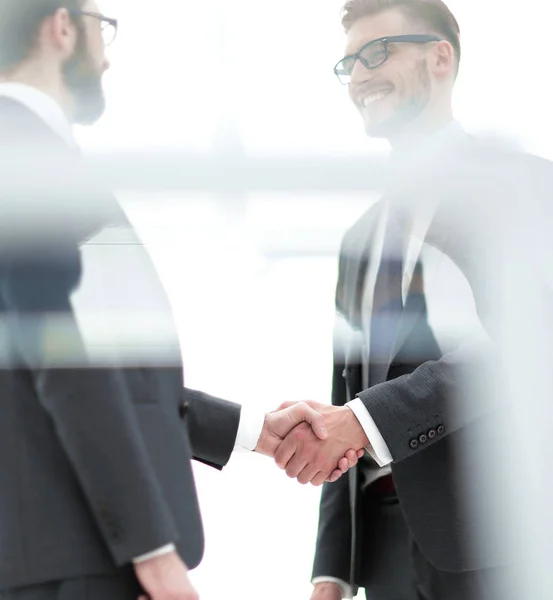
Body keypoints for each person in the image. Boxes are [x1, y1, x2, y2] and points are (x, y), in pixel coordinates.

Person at [0, 2, 364, 600]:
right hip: (68, 557)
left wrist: (255, 432)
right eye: (101, 27)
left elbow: (105, 368)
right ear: (61, 26)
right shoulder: (28, 155)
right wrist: (152, 552)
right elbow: (68, 367)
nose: (108, 53)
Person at [272, 1, 553, 598]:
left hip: (495, 537)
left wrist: (368, 420)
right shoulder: (359, 237)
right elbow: (344, 393)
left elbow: (529, 350)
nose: (360, 76)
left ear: (440, 57)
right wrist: (335, 566)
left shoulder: (526, 187)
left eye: (378, 53)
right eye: (349, 63)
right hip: (383, 552)